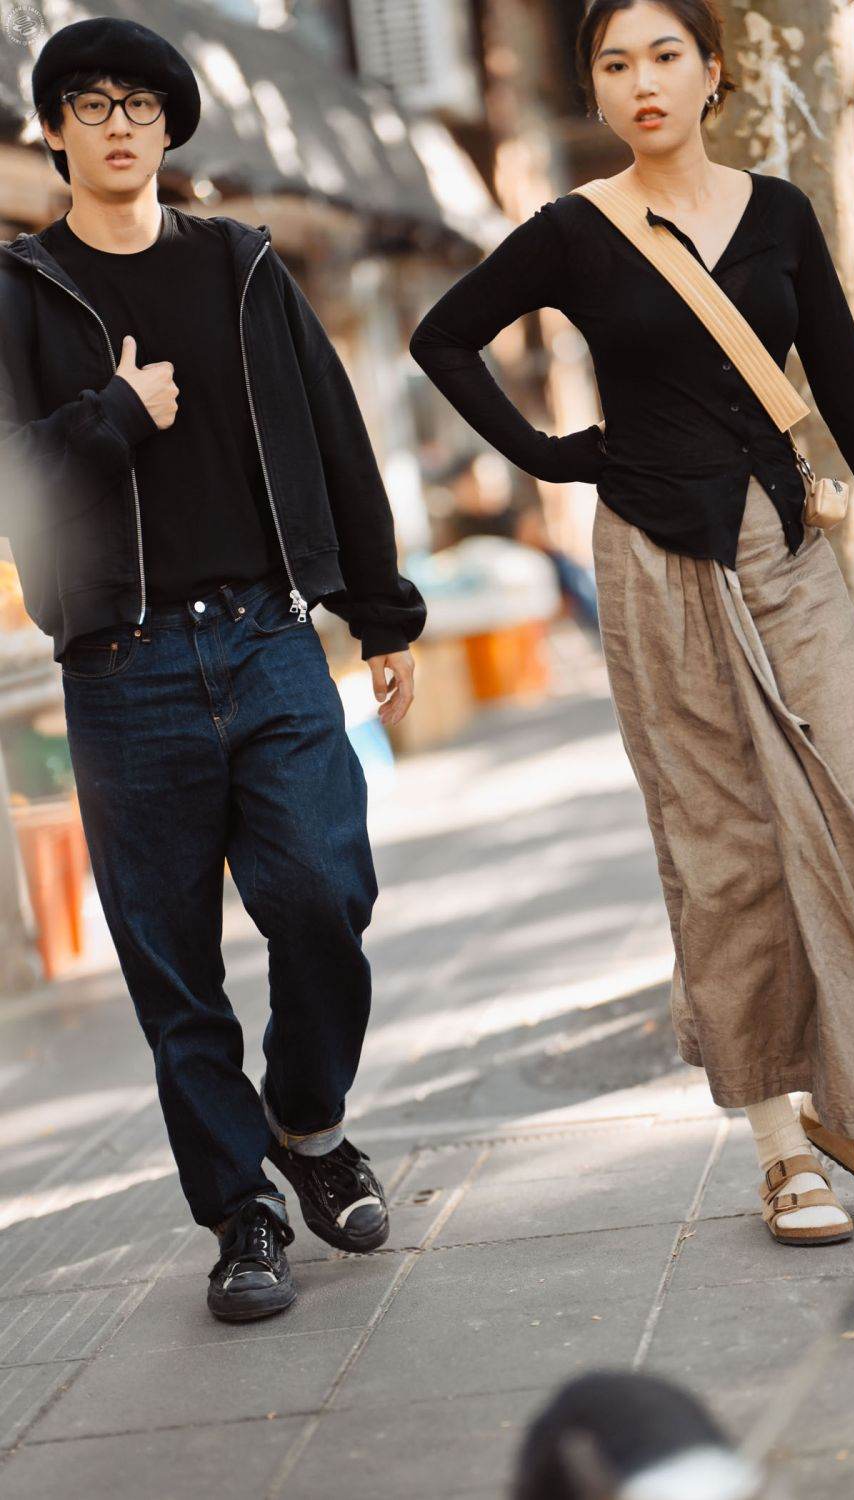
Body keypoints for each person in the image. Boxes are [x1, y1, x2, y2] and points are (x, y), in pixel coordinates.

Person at [409, 0, 854, 1247]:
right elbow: (441, 337)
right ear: (596, 90)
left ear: (712, 72)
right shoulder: (573, 232)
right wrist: (550, 455)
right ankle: (782, 1147)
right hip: (656, 560)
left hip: (789, 553)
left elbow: (848, 392)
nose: (642, 81)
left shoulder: (779, 215)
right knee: (722, 852)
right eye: (614, 64)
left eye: (665, 55)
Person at [0, 17, 426, 1320]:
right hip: (121, 669)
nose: (117, 124)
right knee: (173, 969)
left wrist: (381, 610)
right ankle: (241, 1214)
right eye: (89, 103)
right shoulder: (20, 293)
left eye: (139, 103)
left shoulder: (243, 268)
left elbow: (335, 434)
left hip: (268, 636)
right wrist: (114, 418)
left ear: (170, 126)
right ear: (54, 131)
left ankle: (307, 1119)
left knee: (325, 893)